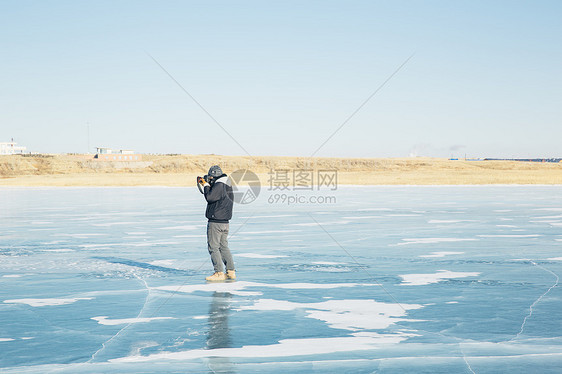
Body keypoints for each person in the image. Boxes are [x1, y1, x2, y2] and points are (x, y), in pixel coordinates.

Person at [198, 165, 236, 281]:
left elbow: (210, 197)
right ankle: (231, 271)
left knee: (213, 247)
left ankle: (219, 272)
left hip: (216, 222)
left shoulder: (220, 185)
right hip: (225, 222)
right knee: (223, 247)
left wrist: (205, 185)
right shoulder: (227, 185)